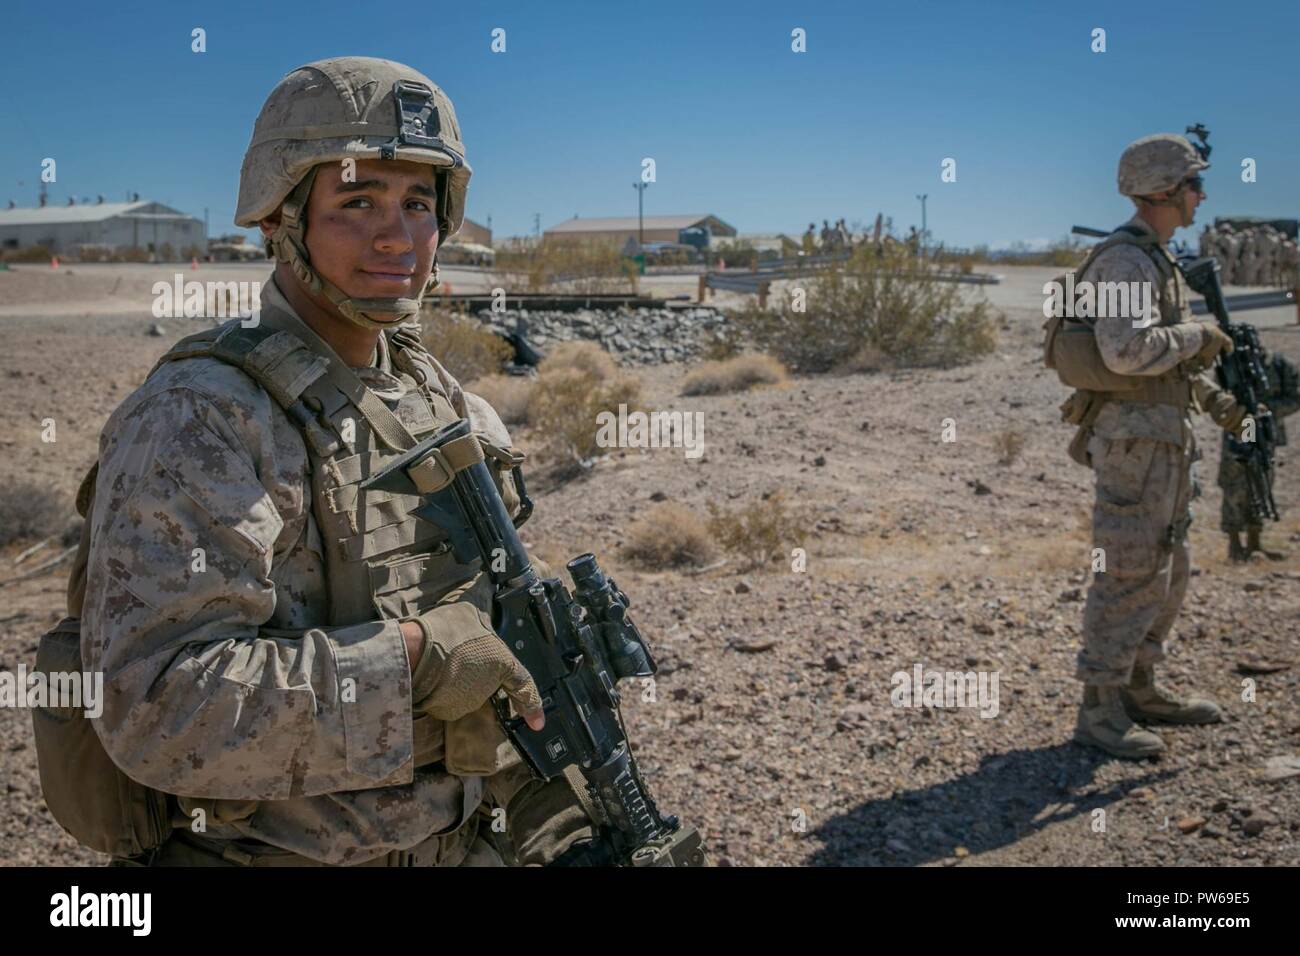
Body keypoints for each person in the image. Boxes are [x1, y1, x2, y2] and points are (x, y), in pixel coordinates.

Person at [79, 57, 594, 866]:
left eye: (418, 203)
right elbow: (153, 707)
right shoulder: (204, 416)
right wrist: (417, 660)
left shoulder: (430, 393)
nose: (397, 236)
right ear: (280, 220)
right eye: (357, 203)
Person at [1069, 132, 1248, 759]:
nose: (1202, 195)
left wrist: (1220, 402)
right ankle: (1099, 709)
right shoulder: (1124, 261)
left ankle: (1140, 687)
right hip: (1134, 447)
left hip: (1163, 443)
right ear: (1166, 192)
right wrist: (1199, 334)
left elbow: (1165, 362)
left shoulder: (1156, 258)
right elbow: (1126, 353)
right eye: (1195, 184)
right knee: (1127, 570)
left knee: (1168, 572)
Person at [1221, 352, 1300, 560]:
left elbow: (1295, 397)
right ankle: (1235, 544)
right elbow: (1218, 396)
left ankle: (1255, 543)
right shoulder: (1233, 366)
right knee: (1235, 483)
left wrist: (1268, 410)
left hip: (1265, 429)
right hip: (1242, 425)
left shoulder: (1279, 365)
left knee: (1261, 483)